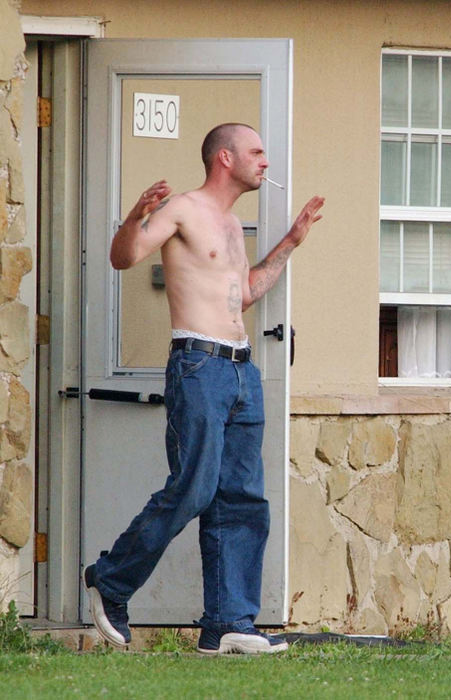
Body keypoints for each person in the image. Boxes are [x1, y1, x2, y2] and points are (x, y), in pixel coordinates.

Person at [82, 123, 325, 654]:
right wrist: (133, 215)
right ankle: (111, 580)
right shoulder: (184, 209)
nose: (265, 162)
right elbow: (123, 257)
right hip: (198, 366)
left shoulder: (234, 226)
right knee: (192, 488)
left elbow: (242, 296)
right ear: (224, 157)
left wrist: (290, 243)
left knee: (242, 499)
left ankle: (228, 624)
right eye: (256, 152)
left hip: (241, 369)